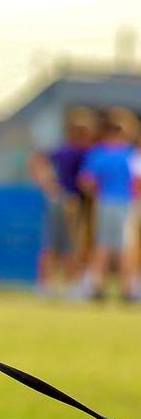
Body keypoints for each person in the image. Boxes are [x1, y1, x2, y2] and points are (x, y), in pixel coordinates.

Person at [27, 107, 97, 295]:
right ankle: (70, 285)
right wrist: (50, 186)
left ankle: (45, 285)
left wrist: (49, 187)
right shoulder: (81, 152)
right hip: (71, 201)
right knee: (70, 245)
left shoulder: (63, 150)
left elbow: (37, 161)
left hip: (58, 199)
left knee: (52, 244)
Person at [74, 107, 140, 301]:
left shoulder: (98, 153)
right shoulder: (131, 155)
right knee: (125, 247)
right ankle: (129, 289)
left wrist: (98, 194)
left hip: (104, 203)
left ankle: (96, 287)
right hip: (126, 204)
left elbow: (86, 182)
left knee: (102, 245)